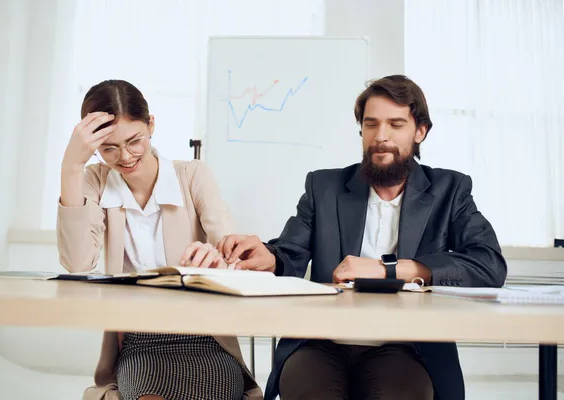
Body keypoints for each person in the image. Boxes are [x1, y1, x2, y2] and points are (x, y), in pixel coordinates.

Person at [217, 75, 507, 400]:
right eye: (371, 124)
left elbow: (489, 264)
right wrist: (269, 258)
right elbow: (290, 253)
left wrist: (390, 270)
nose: (381, 136)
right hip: (322, 342)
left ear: (420, 131)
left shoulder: (449, 190)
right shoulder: (324, 187)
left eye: (395, 124)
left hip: (405, 347)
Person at [57, 79, 262, 400]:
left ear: (151, 125)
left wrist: (218, 259)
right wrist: (71, 166)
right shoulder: (94, 180)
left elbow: (231, 248)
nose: (125, 156)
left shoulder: (192, 175)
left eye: (134, 141)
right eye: (108, 148)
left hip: (204, 337)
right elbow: (77, 261)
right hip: (140, 342)